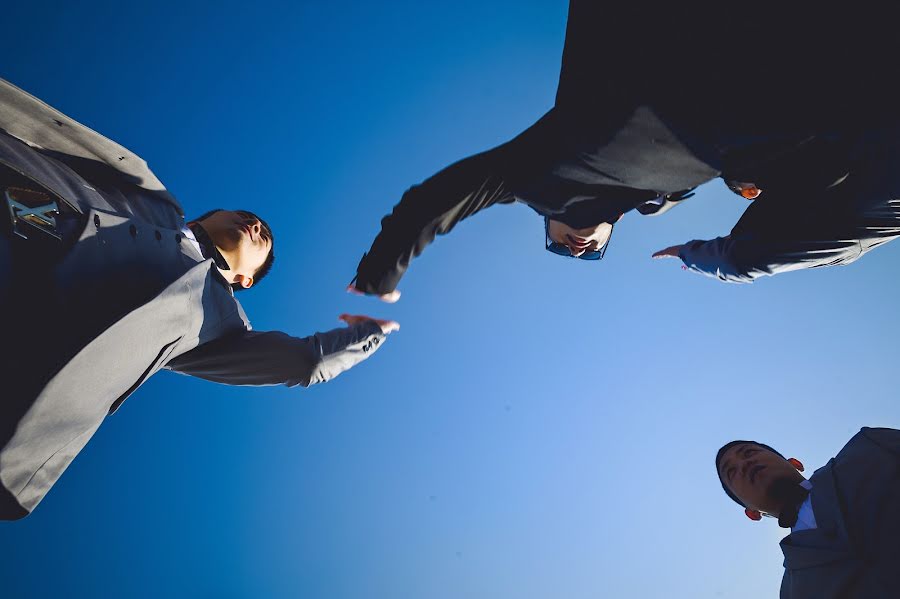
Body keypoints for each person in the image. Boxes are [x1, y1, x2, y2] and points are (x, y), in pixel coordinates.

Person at [0, 78, 397, 520]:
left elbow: (305, 363)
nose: (256, 225)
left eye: (263, 237)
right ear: (202, 217)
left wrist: (370, 333)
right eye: (247, 217)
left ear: (246, 280)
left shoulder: (218, 324)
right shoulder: (149, 196)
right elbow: (43, 131)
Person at [348, 2, 891, 301]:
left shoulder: (531, 179)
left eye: (564, 246)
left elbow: (433, 201)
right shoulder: (664, 193)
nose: (580, 246)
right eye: (588, 254)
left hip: (673, 42)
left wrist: (378, 276)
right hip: (810, 84)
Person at [652, 127, 900, 283]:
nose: (758, 192)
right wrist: (690, 253)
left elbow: (738, 260)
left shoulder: (826, 145)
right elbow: (740, 259)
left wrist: (688, 252)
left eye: (750, 188)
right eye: (750, 192)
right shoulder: (829, 217)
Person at [715, 428, 900, 598]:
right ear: (752, 514)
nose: (744, 464)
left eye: (749, 453)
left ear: (795, 463)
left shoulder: (870, 446)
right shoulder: (792, 593)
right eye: (732, 472)